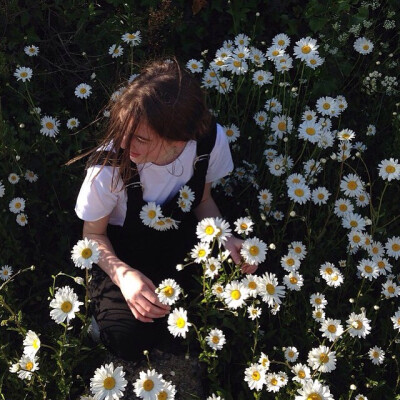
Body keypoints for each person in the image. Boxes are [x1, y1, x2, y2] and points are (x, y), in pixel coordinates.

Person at [74, 59, 258, 361]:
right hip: (123, 248)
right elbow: (92, 233)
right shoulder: (108, 168)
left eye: (141, 138)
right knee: (129, 338)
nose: (124, 142)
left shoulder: (208, 143)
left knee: (254, 266)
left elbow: (202, 201)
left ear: (179, 138)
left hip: (180, 234)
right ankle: (101, 319)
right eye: (123, 129)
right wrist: (124, 277)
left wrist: (224, 238)